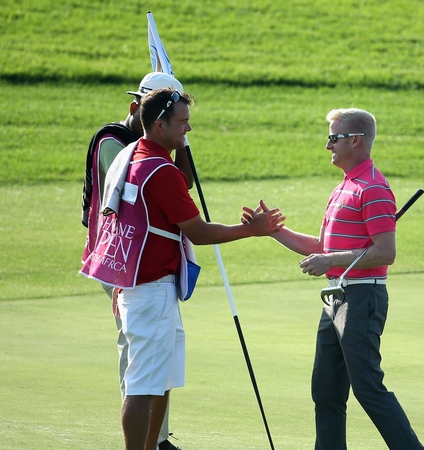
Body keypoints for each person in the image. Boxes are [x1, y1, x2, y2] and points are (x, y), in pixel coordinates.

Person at [95, 87, 284, 450]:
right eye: (182, 123)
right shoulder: (160, 170)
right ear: (160, 124)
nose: (188, 130)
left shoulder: (135, 156)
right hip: (151, 290)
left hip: (148, 286)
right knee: (142, 385)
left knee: (161, 380)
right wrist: (252, 229)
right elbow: (197, 232)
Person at [255, 108, 424, 449]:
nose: (327, 145)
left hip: (362, 296)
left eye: (334, 138)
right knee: (326, 391)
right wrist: (274, 231)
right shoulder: (344, 188)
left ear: (355, 141)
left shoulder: (373, 188)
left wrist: (330, 260)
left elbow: (385, 252)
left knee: (367, 387)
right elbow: (321, 247)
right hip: (336, 298)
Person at [80, 72, 193, 450]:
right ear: (144, 111)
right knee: (139, 362)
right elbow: (137, 200)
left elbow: (181, 185)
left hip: (140, 260)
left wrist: (182, 141)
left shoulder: (155, 152)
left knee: (156, 364)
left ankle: (156, 441)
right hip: (120, 259)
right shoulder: (115, 143)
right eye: (179, 120)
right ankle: (146, 443)